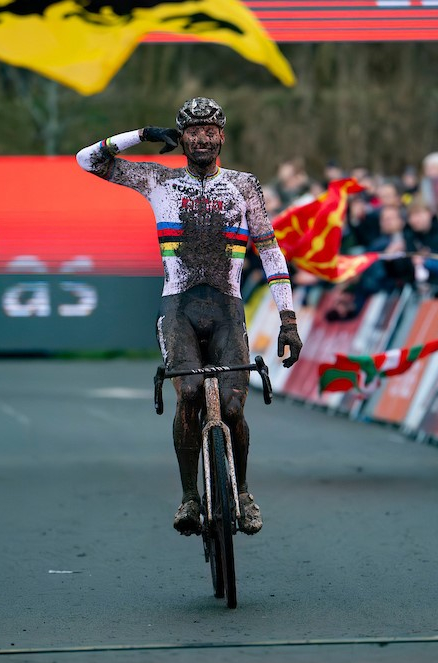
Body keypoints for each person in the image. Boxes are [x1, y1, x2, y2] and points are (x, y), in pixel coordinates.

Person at [75, 97, 303, 537]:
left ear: (222, 136)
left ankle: (244, 493)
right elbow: (88, 160)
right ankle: (189, 497)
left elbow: (270, 250)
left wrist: (288, 321)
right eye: (191, 131)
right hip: (178, 307)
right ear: (181, 139)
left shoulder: (244, 185)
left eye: (209, 130)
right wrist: (140, 135)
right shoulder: (156, 178)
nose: (201, 138)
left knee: (234, 408)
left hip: (227, 308)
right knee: (190, 394)